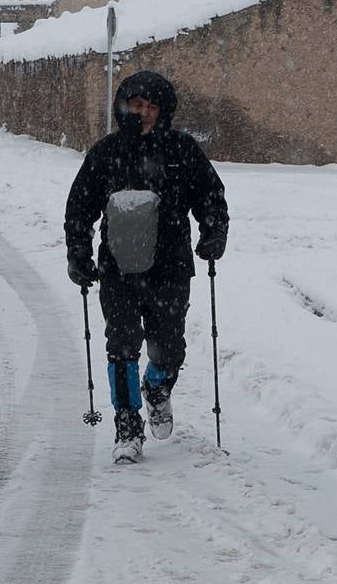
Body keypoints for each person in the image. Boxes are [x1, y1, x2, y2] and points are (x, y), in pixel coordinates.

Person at [63, 70, 229, 464]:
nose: (145, 113)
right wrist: (78, 253)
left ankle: (157, 387)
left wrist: (214, 232)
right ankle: (127, 424)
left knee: (168, 347)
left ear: (164, 109)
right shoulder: (106, 153)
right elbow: (79, 208)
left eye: (152, 106)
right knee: (121, 346)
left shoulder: (183, 150)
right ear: (124, 107)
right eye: (137, 105)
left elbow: (211, 195)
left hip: (170, 268)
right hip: (117, 269)